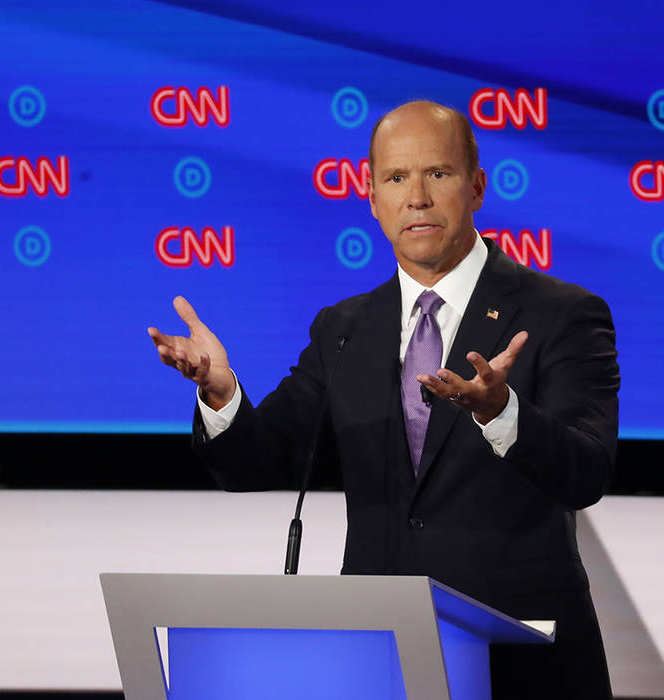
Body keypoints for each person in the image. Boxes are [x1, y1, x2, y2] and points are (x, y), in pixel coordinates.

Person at [149, 101, 618, 698]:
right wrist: (220, 392)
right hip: (380, 660)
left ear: (476, 186)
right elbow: (257, 462)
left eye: (438, 174)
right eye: (396, 178)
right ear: (372, 199)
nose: (416, 197)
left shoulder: (562, 313)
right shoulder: (345, 329)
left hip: (524, 664)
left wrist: (502, 413)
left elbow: (587, 473)